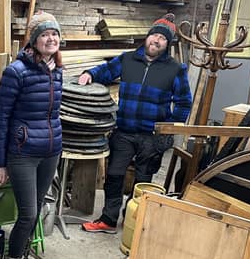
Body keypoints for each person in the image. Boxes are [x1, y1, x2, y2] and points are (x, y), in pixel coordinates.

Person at [79, 13, 192, 234]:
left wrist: (166, 129)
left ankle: (133, 220)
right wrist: (88, 74)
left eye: (162, 38)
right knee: (114, 175)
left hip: (152, 136)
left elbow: (183, 103)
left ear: (167, 44)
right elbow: (106, 70)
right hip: (124, 130)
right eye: (154, 36)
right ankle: (108, 220)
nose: (156, 40)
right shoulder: (128, 59)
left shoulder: (175, 69)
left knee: (143, 180)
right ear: (147, 37)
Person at [0, 11, 63, 259]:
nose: (51, 39)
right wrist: (0, 162)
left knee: (37, 211)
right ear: (33, 39)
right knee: (27, 214)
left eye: (55, 35)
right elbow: (1, 117)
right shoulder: (16, 71)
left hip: (51, 150)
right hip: (22, 153)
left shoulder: (56, 70)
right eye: (45, 34)